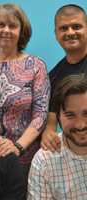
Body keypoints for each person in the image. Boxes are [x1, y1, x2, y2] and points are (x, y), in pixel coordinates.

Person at [0, 3, 50, 180]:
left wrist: (17, 147)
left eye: (12, 26)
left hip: (24, 160)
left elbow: (41, 114)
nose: (6, 30)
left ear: (21, 31)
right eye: (1, 25)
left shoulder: (36, 66)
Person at [28, 74, 87, 199]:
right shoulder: (44, 162)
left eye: (86, 114)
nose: (81, 125)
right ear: (58, 117)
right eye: (70, 115)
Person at [41, 4, 87, 152]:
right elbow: (51, 126)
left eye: (76, 26)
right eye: (64, 28)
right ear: (56, 34)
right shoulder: (53, 77)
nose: (70, 32)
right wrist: (48, 136)